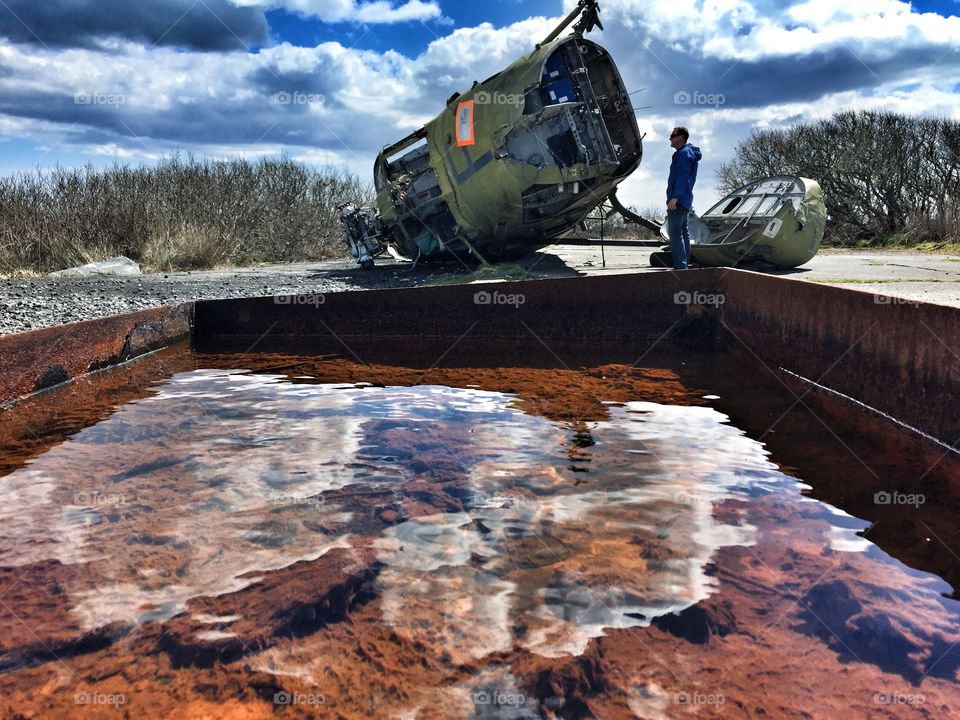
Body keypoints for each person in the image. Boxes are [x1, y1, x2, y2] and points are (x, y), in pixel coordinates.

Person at [665, 127, 702, 270]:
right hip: (685, 199)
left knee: (675, 232)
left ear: (680, 137)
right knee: (683, 231)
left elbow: (683, 177)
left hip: (679, 199)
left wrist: (675, 197)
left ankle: (680, 266)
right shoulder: (687, 153)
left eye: (673, 135)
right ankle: (685, 264)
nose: (670, 138)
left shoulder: (684, 154)